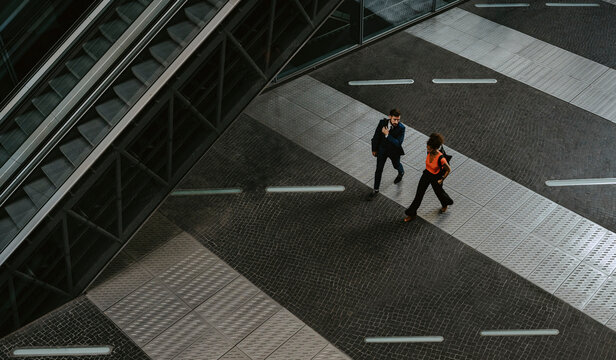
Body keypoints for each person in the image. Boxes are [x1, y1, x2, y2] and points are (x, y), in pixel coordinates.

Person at [404, 133, 453, 221]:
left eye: (429, 148)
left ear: (435, 148)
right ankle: (411, 213)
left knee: (439, 192)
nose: (427, 149)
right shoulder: (429, 151)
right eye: (427, 147)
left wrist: (442, 179)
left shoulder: (441, 158)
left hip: (436, 177)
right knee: (419, 194)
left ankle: (445, 203)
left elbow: (448, 169)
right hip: (426, 174)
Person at [366, 109, 405, 201]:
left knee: (396, 165)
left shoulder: (401, 128)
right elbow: (376, 136)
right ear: (390, 117)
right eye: (395, 119)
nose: (396, 122)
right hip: (382, 151)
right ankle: (375, 189)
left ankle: (401, 172)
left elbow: (398, 143)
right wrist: (374, 149)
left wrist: (387, 135)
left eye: (398, 120)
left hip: (394, 152)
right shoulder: (382, 123)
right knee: (379, 169)